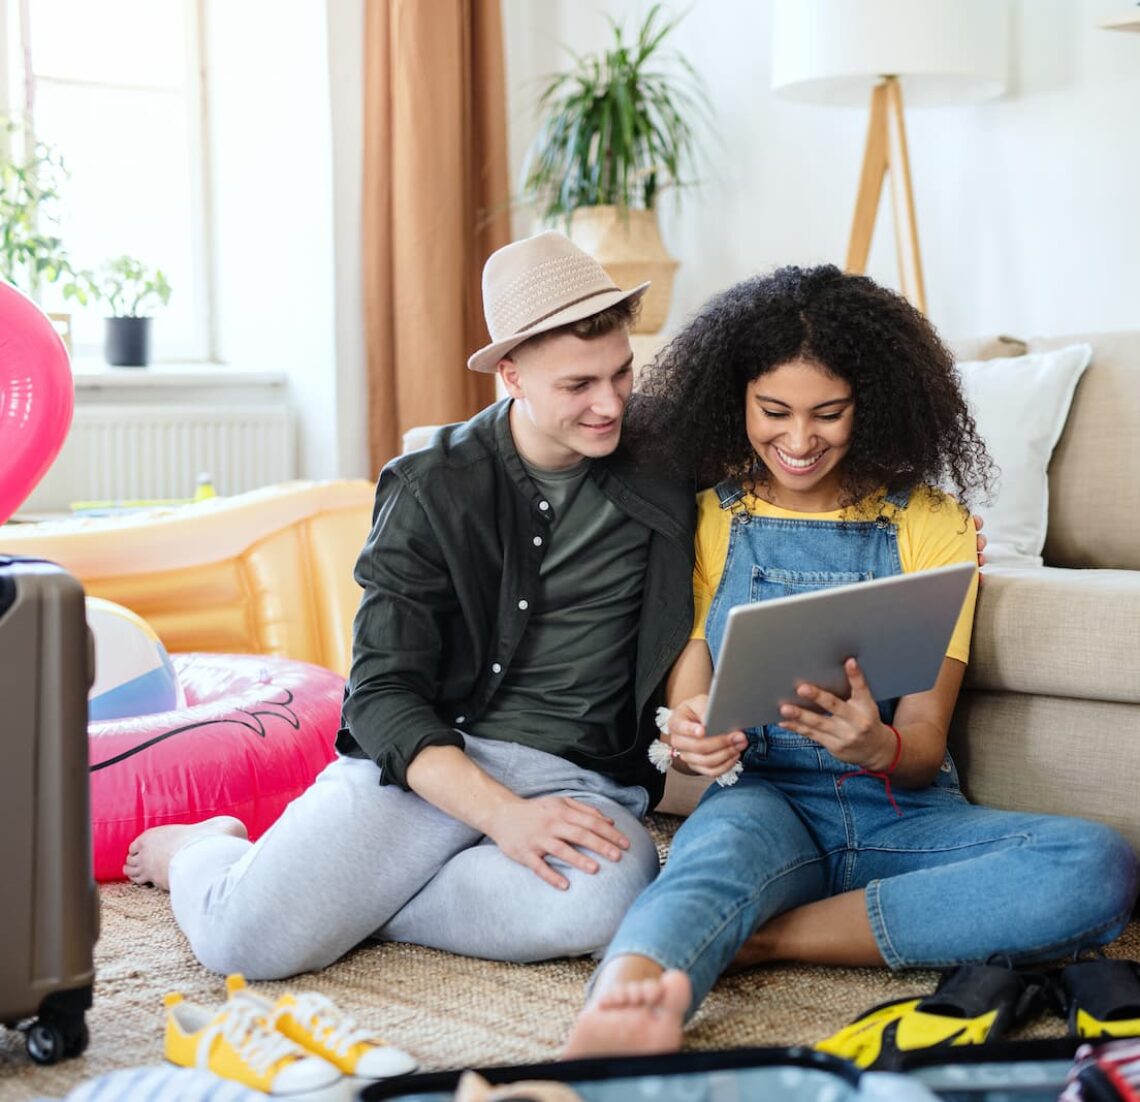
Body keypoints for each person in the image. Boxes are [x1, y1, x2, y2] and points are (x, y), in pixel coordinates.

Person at [564, 265, 1140, 1059]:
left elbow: (926, 740)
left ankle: (770, 938)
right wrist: (690, 730)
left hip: (903, 813)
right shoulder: (710, 518)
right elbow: (690, 684)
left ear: (871, 406)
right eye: (774, 412)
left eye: (828, 414)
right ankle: (622, 1011)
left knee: (1097, 865)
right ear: (736, 401)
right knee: (706, 864)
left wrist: (881, 746)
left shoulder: (934, 526)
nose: (798, 441)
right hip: (765, 803)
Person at [123, 231, 696, 979]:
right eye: (578, 385)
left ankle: (347, 905)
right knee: (245, 945)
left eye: (622, 373)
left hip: (577, 774)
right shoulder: (432, 486)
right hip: (440, 760)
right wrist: (500, 816)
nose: (610, 403)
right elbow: (383, 697)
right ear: (513, 376)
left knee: (613, 899)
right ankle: (207, 849)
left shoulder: (662, 463)